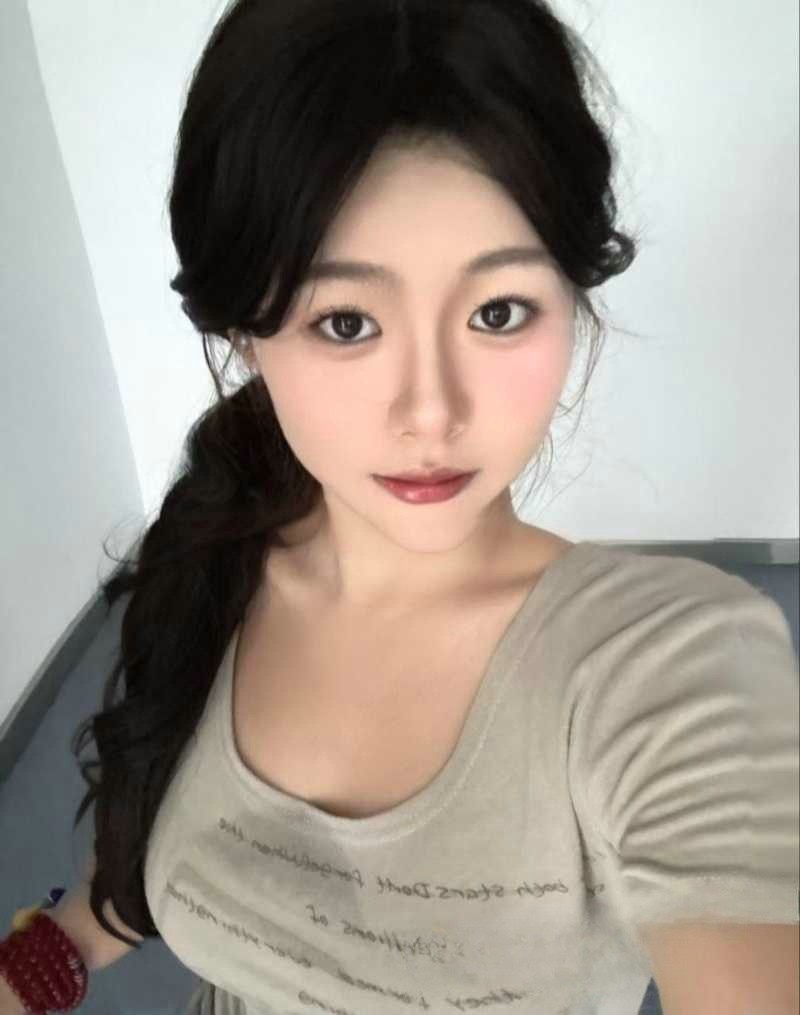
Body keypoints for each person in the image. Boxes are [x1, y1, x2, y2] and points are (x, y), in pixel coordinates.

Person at [3, 1, 797, 1013]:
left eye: (497, 311)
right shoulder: (218, 553)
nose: (431, 411)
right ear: (245, 333)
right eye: (346, 321)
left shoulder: (667, 663)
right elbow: (140, 871)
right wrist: (51, 956)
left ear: (571, 302)